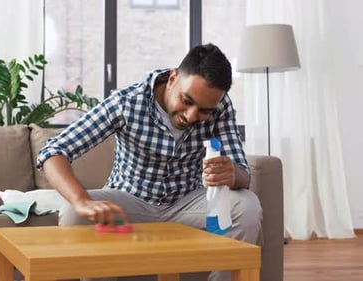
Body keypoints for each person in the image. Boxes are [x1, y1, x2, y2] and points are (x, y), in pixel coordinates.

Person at [36, 43, 262, 281]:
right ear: (173, 77)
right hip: (129, 203)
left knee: (246, 206)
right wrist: (81, 201)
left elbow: (243, 173)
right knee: (74, 212)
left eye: (204, 110)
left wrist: (233, 173)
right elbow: (54, 151)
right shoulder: (126, 103)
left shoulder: (221, 106)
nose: (191, 115)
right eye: (186, 100)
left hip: (187, 202)